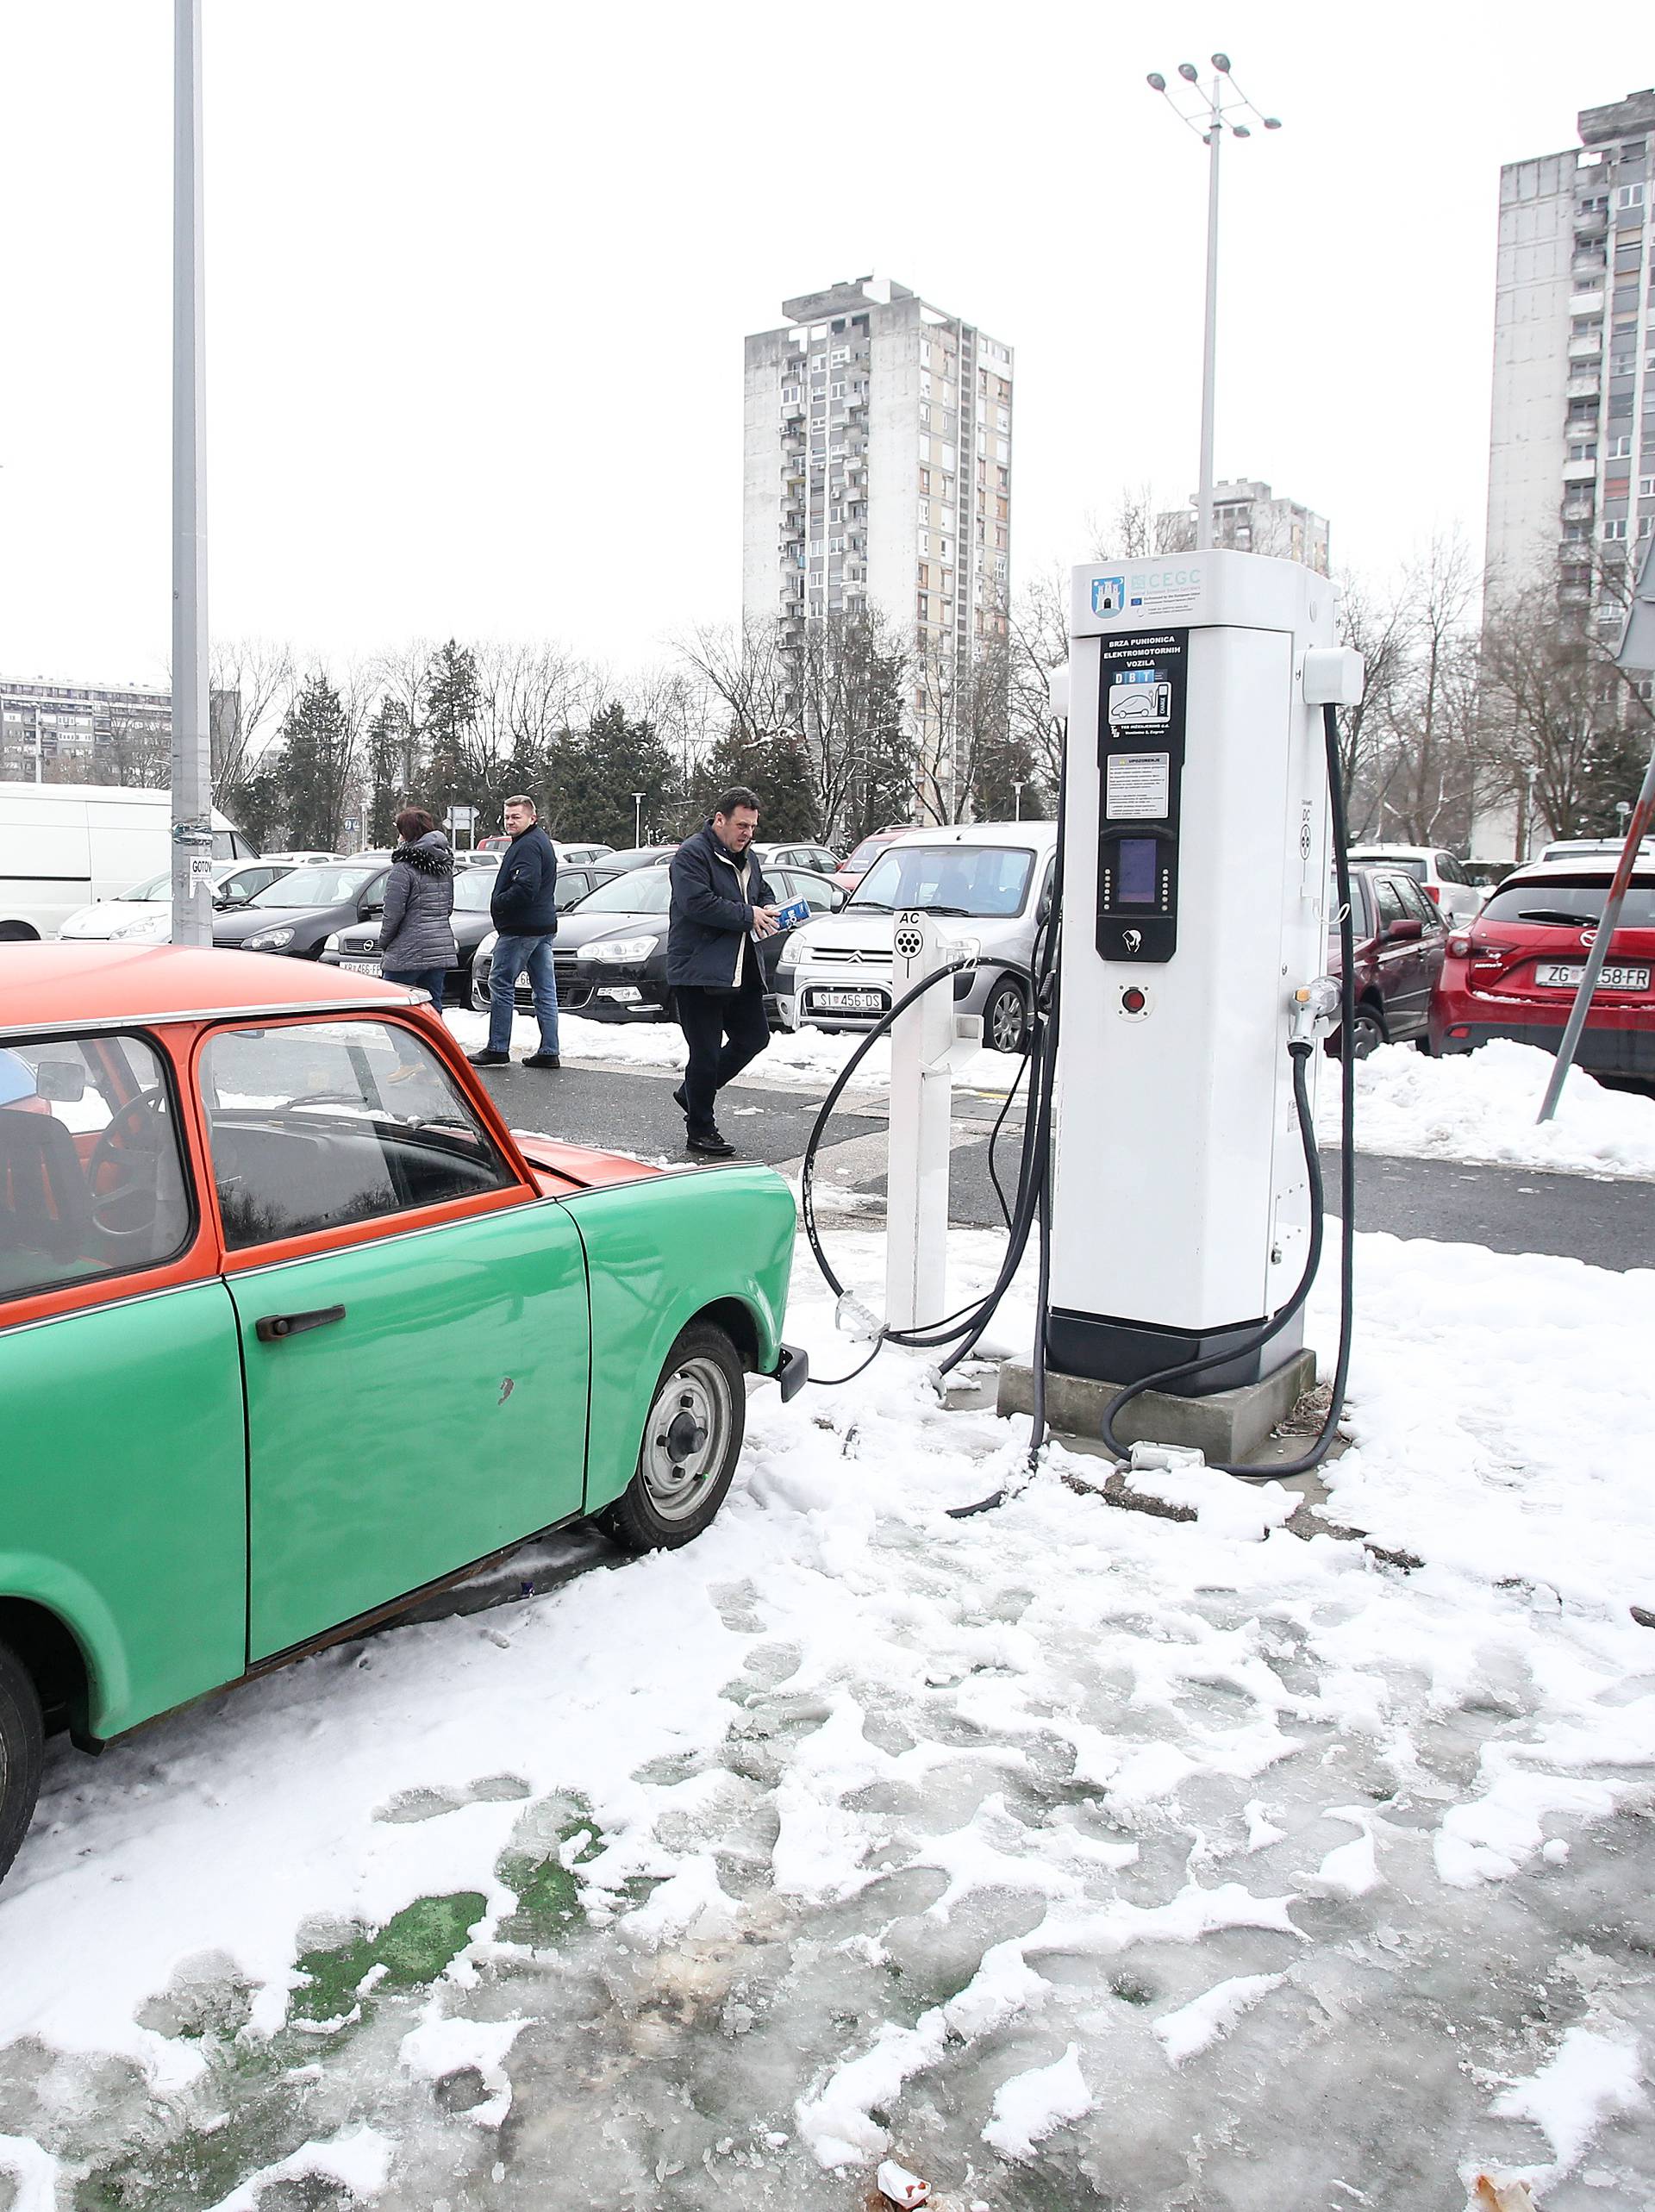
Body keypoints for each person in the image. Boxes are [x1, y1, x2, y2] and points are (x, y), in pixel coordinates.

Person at [666, 787, 779, 1157]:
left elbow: (761, 892)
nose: (747, 833)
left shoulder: (750, 859)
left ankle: (693, 1093)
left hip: (741, 968)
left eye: (752, 826)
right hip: (699, 971)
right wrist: (749, 916)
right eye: (741, 825)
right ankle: (700, 1129)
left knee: (754, 1038)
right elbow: (696, 903)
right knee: (706, 1052)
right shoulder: (691, 855)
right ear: (719, 820)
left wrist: (771, 907)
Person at [469, 794, 561, 1071]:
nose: (510, 821)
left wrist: (498, 903)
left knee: (501, 983)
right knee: (545, 990)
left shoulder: (528, 846)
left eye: (516, 816)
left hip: (522, 929)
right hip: (541, 926)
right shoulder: (537, 841)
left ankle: (498, 1047)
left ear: (532, 818)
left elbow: (525, 888)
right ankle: (549, 1050)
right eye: (507, 816)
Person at [378, 807, 457, 1005]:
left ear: (406, 834)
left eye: (400, 831)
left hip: (406, 952)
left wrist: (385, 942)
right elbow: (447, 907)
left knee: (393, 1005)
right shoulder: (444, 865)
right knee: (432, 1006)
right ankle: (432, 1037)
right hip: (439, 949)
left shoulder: (403, 868)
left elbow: (393, 914)